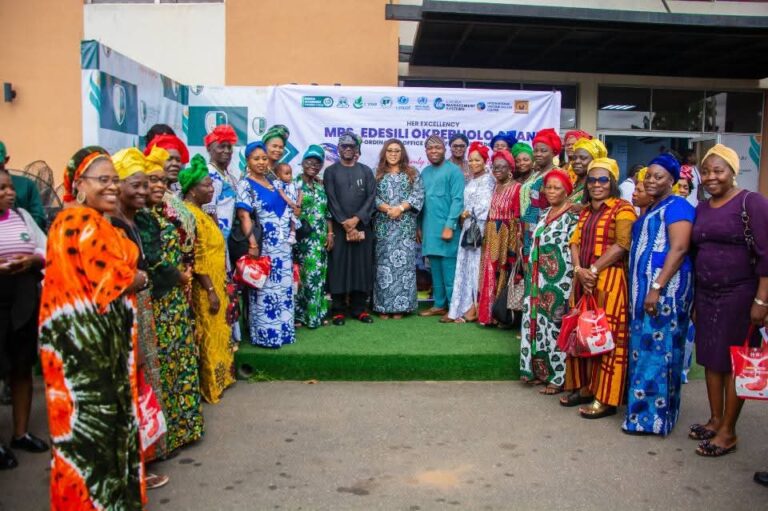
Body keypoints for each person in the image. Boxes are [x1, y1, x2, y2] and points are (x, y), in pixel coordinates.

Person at [40, 146, 147, 509]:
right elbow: (113, 279)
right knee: (94, 444)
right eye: (104, 180)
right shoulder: (77, 223)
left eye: (115, 180)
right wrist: (140, 278)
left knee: (99, 440)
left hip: (95, 351)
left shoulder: (89, 222)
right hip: (87, 357)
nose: (113, 187)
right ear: (79, 184)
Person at [689, 144, 768, 457]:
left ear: (733, 171)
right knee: (710, 357)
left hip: (740, 294)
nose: (710, 177)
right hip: (706, 293)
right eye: (706, 171)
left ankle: (728, 432)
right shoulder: (703, 207)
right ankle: (715, 419)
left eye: (718, 170)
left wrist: (762, 301)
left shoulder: (752, 203)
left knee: (735, 361)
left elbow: (766, 254)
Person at [135, 150, 207, 451]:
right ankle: (161, 440)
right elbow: (152, 262)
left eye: (162, 181)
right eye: (151, 180)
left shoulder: (164, 213)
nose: (157, 186)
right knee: (160, 368)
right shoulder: (141, 219)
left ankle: (182, 429)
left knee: (178, 362)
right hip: (157, 302)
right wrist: (178, 276)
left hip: (175, 300)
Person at [111, 148, 171, 488]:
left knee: (145, 380)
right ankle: (132, 467)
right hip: (124, 313)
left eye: (144, 185)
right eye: (134, 184)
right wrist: (142, 279)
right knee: (130, 385)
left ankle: (145, 457)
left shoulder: (137, 220)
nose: (143, 190)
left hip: (142, 308)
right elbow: (124, 275)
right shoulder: (113, 225)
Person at [623, 154, 695, 436]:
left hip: (665, 294)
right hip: (646, 294)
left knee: (659, 354)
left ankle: (650, 420)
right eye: (648, 176)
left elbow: (678, 249)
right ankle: (646, 416)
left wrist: (657, 287)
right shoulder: (653, 206)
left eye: (659, 176)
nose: (651, 180)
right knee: (646, 352)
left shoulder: (678, 206)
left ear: (673, 181)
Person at [563, 157, 637, 419]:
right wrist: (579, 270)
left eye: (603, 179)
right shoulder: (585, 211)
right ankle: (583, 388)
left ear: (612, 182)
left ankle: (605, 398)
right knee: (581, 336)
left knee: (605, 339)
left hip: (609, 282)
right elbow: (574, 242)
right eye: (592, 180)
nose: (596, 184)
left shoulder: (623, 208)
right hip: (583, 281)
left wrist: (593, 270)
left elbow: (621, 244)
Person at [0, 167, 48, 470]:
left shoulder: (22, 217)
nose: (9, 192)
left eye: (9, 188)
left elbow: (45, 247)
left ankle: (21, 433)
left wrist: (32, 259)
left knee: (21, 369)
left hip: (23, 302)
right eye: (2, 188)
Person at [519, 169, 578, 393]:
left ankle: (559, 377)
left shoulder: (572, 216)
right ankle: (540, 372)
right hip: (537, 281)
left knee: (556, 328)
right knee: (536, 325)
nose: (551, 191)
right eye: (549, 187)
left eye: (557, 188)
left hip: (560, 282)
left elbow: (574, 248)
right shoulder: (544, 213)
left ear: (567, 191)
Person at [183, 156, 236, 399]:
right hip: (206, 288)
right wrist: (211, 291)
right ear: (192, 189)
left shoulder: (203, 213)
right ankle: (211, 386)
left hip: (218, 281)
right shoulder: (190, 215)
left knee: (219, 332)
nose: (211, 188)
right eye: (206, 185)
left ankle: (223, 378)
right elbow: (197, 256)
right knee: (208, 335)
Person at [236, 143, 296, 346]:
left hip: (284, 246)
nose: (261, 162)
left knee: (284, 288)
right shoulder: (246, 185)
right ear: (248, 162)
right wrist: (252, 243)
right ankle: (266, 335)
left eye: (263, 158)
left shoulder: (274, 182)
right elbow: (244, 215)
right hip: (266, 246)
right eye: (256, 159)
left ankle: (284, 332)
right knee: (266, 290)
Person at [324, 132, 377, 325]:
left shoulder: (366, 171)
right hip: (338, 229)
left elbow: (371, 198)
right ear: (338, 149)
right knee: (339, 267)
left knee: (361, 268)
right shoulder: (330, 172)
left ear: (356, 150)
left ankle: (359, 309)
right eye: (344, 146)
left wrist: (356, 220)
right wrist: (345, 223)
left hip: (363, 227)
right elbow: (330, 199)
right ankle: (338, 310)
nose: (347, 149)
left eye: (351, 146)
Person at [373, 139, 425, 319]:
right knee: (383, 267)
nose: (393, 154)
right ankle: (383, 306)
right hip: (383, 226)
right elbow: (371, 197)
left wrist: (400, 208)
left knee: (404, 267)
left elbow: (418, 195)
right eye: (389, 150)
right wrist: (387, 209)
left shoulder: (412, 173)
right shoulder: (376, 174)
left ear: (402, 153)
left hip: (404, 227)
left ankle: (402, 307)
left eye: (397, 150)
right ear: (384, 153)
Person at [447, 141, 495, 323]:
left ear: (485, 161)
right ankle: (466, 305)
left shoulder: (490, 179)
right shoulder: (471, 179)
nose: (474, 163)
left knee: (477, 267)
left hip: (480, 228)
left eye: (478, 160)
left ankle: (476, 307)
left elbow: (487, 204)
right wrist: (464, 215)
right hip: (467, 227)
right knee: (466, 267)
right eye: (471, 160)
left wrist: (468, 213)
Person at [418, 136, 464, 320]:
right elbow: (421, 202)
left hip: (447, 231)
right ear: (426, 151)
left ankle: (454, 309)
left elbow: (458, 200)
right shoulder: (425, 172)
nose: (434, 151)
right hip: (429, 229)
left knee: (449, 272)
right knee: (434, 270)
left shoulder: (454, 172)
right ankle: (438, 305)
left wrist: (450, 225)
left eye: (437, 147)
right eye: (430, 148)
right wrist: (418, 227)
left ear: (445, 149)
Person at [477, 150, 522, 326]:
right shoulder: (495, 186)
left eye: (502, 167)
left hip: (507, 234)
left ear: (510, 169)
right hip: (492, 233)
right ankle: (487, 316)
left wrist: (515, 242)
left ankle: (501, 317)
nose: (498, 170)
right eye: (495, 167)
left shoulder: (517, 187)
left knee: (504, 272)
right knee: (489, 272)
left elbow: (518, 216)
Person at [294, 145, 332, 329]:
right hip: (302, 240)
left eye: (317, 163)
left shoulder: (320, 185)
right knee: (304, 277)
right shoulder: (294, 184)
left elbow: (328, 212)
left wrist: (330, 233)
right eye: (309, 161)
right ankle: (302, 315)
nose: (313, 166)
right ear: (302, 163)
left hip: (320, 238)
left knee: (319, 276)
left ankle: (318, 312)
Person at [520, 128, 562, 261]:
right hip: (528, 228)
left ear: (553, 152)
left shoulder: (555, 174)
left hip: (543, 231)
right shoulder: (536, 174)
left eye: (543, 151)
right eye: (536, 150)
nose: (538, 154)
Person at [0, 140, 46, 229]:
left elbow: (39, 218)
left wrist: (18, 230)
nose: (9, 192)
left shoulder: (26, 185)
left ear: (6, 160)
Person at [203, 124, 239, 238]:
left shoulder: (228, 175)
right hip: (216, 237)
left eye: (229, 147)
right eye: (221, 146)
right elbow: (208, 211)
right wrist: (218, 239)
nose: (227, 151)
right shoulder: (209, 173)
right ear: (209, 148)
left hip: (227, 237)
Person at [569, 137, 608, 209]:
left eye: (583, 158)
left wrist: (584, 208)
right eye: (574, 158)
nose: (576, 161)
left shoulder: (597, 187)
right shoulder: (573, 183)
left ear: (595, 161)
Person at [275, 162, 300, 245]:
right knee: (283, 220)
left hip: (294, 207)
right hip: (285, 207)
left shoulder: (294, 183)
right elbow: (281, 193)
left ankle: (292, 235)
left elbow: (301, 192)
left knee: (294, 219)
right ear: (278, 175)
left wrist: (298, 203)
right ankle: (282, 235)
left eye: (290, 173)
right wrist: (289, 202)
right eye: (286, 174)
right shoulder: (278, 183)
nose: (289, 175)